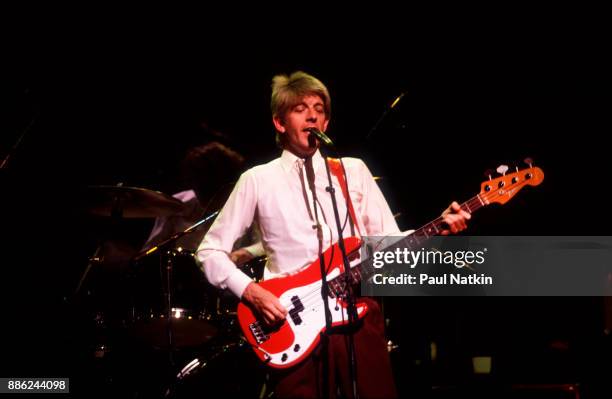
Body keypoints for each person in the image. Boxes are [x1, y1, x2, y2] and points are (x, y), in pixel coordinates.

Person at [196, 71, 471, 398]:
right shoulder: (257, 180)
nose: (312, 114)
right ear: (280, 123)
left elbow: (387, 243)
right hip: (290, 323)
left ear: (325, 123)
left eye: (319, 108)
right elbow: (209, 252)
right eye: (300, 108)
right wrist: (253, 292)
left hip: (358, 312)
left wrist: (439, 228)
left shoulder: (352, 171)